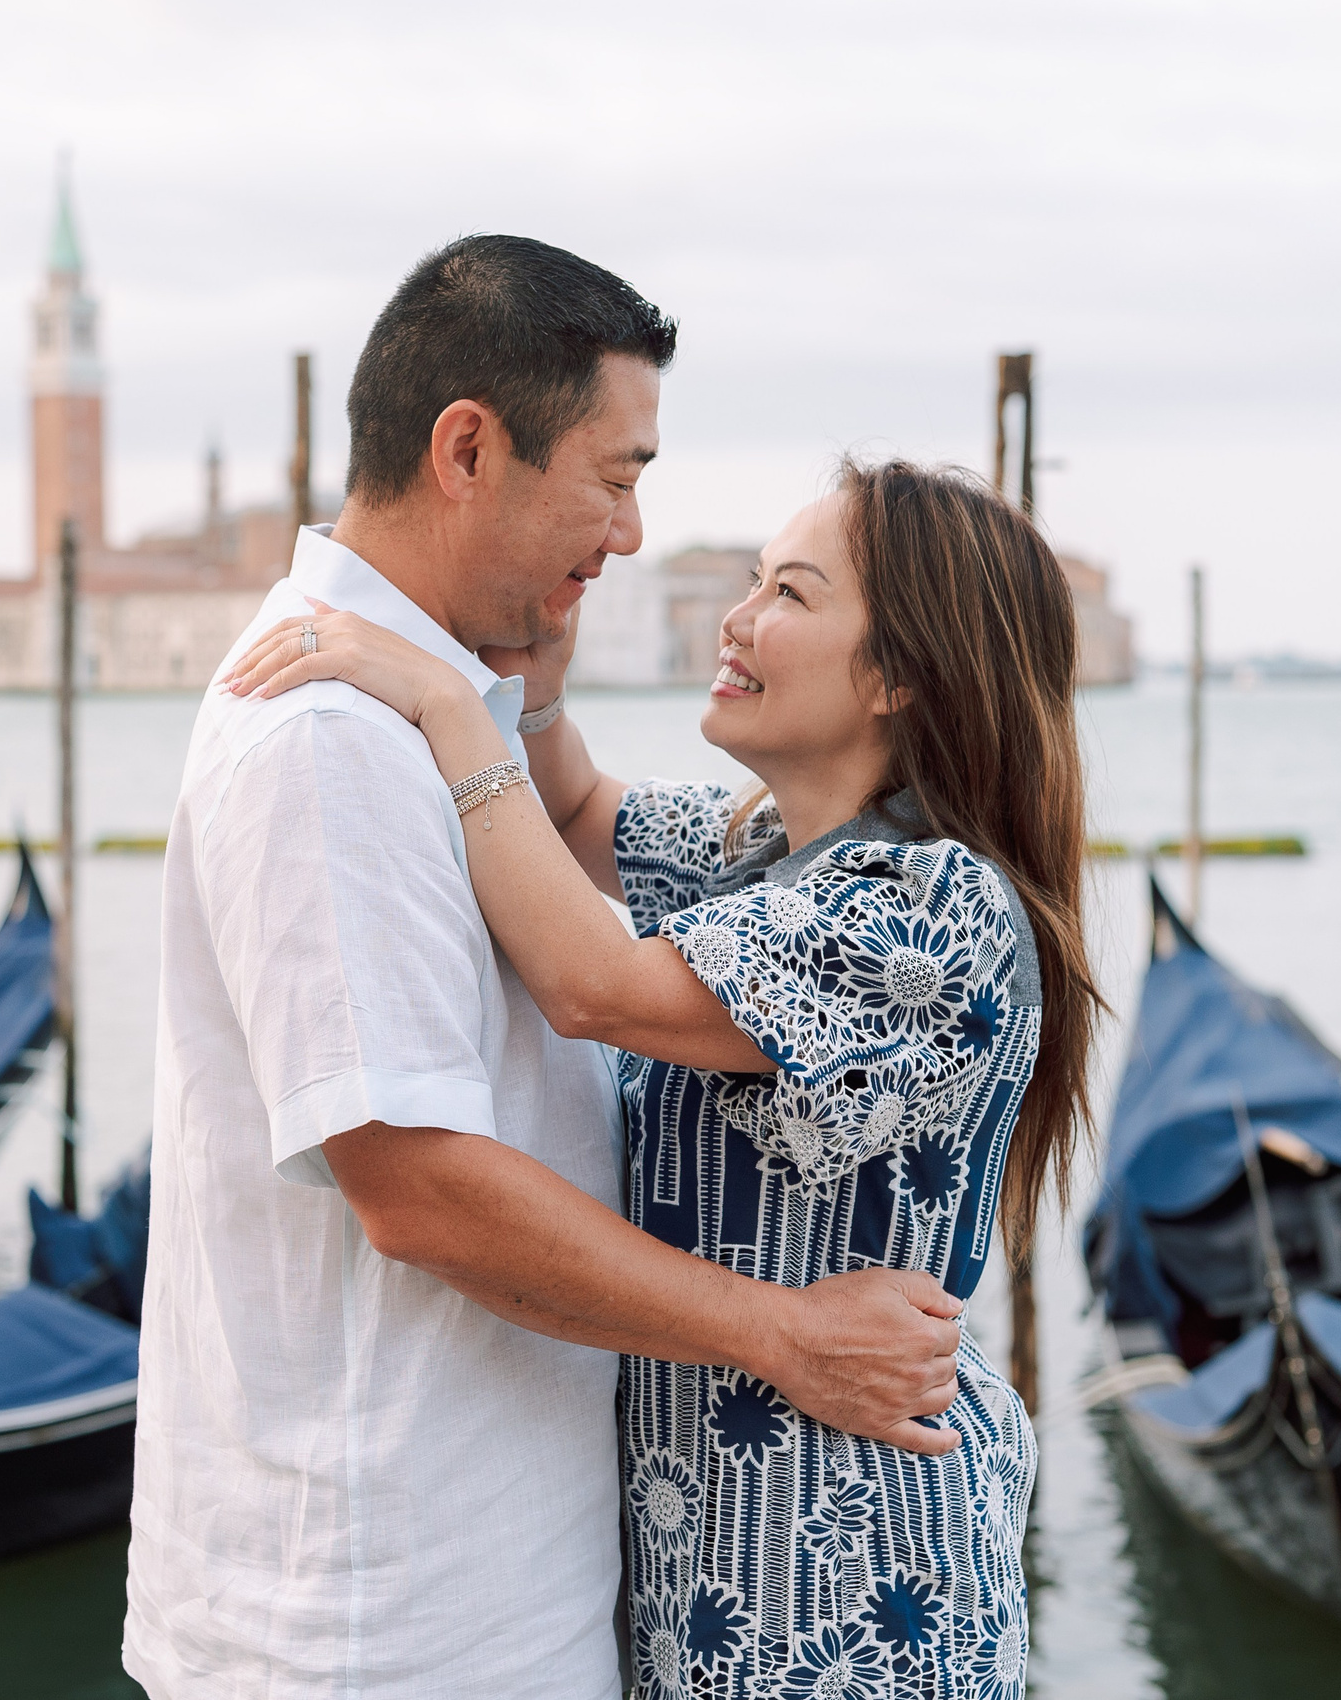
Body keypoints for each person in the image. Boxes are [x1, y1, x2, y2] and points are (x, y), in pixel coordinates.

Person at [125, 237, 972, 1700]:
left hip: (511, 1589)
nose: (636, 535)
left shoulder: (445, 722)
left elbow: (577, 869)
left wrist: (498, 707)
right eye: (616, 473)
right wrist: (786, 1335)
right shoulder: (333, 733)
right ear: (470, 449)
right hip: (380, 1622)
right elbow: (418, 1184)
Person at [227, 455, 1099, 1697]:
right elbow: (571, 806)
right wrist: (527, 674)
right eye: (752, 580)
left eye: (791, 594)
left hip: (852, 1584)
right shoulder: (764, 849)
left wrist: (440, 701)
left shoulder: (929, 910)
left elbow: (595, 983)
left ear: (901, 673)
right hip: (711, 1568)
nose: (737, 619)